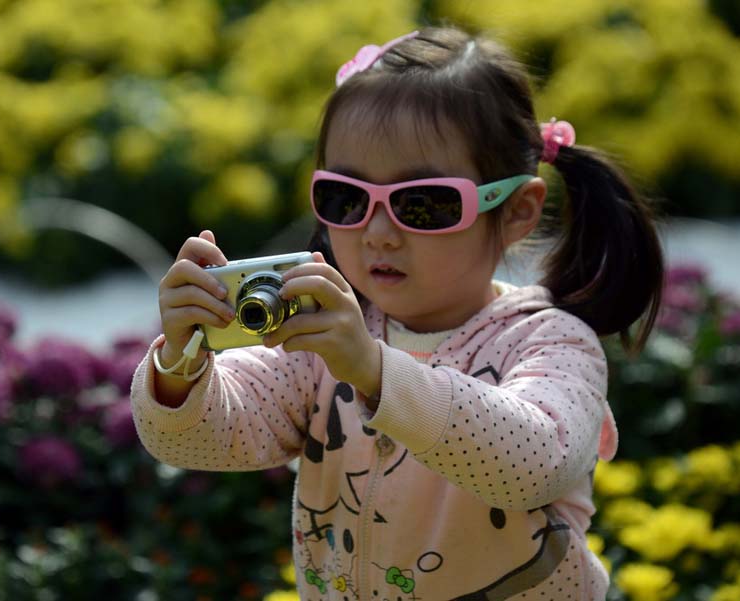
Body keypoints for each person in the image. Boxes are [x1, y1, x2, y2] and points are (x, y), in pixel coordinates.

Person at [131, 25, 663, 601]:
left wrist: (374, 371)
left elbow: (536, 462)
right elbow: (205, 438)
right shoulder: (327, 340)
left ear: (516, 210)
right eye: (347, 198)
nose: (377, 232)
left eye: (423, 203)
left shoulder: (550, 342)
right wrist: (182, 363)